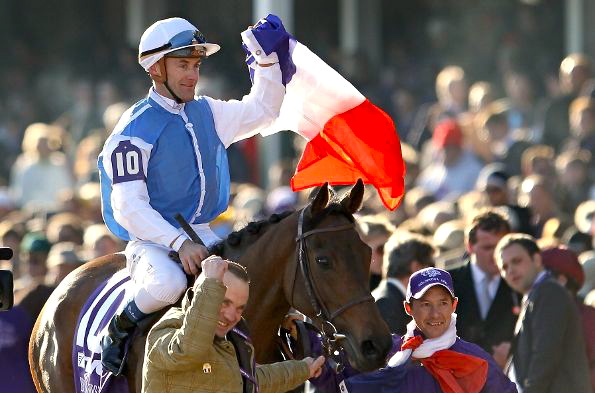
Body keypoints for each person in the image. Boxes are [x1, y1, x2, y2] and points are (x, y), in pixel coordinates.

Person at [98, 16, 289, 374]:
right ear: (156, 69)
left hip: (202, 231)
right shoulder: (132, 130)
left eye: (196, 65)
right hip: (152, 240)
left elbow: (264, 111)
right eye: (182, 64)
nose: (192, 74)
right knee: (169, 284)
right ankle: (120, 329)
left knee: (253, 275)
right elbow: (127, 206)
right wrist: (177, 242)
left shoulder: (208, 111)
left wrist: (266, 62)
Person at [311, 267, 517, 393]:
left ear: (454, 305)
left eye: (442, 303)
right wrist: (309, 351)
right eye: (425, 304)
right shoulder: (388, 350)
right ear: (408, 308)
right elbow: (339, 382)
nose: (435, 314)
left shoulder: (475, 358)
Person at [143, 255, 324, 393]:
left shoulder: (231, 342)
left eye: (239, 308)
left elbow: (250, 380)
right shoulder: (168, 328)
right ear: (203, 293)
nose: (231, 316)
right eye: (223, 301)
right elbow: (189, 350)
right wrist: (211, 282)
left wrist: (303, 369)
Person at [495, 234, 591, 393]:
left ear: (537, 259)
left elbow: (545, 355)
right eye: (504, 267)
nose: (510, 270)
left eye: (517, 261)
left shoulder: (549, 291)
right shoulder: (536, 293)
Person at [448, 210, 519, 361]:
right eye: (488, 248)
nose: (496, 255)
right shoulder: (448, 282)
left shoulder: (517, 284)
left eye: (501, 247)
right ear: (470, 246)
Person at [373, 233, 435, 335]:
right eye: (431, 267)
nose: (434, 275)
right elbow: (395, 349)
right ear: (416, 267)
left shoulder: (388, 297)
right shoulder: (386, 303)